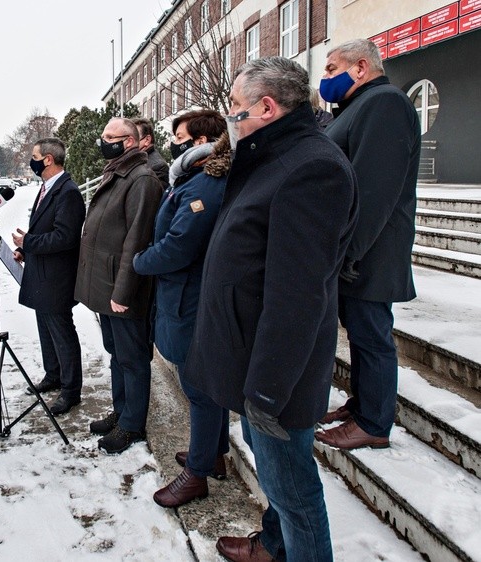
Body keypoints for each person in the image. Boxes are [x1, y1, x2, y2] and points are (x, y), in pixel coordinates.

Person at [182, 58, 357, 562]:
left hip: (278, 377)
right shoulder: (272, 155)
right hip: (253, 354)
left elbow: (298, 297)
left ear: (266, 106)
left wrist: (266, 390)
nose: (229, 116)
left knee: (293, 492)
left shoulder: (312, 168)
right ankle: (275, 547)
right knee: (280, 485)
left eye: (236, 107)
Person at [316, 39, 421, 451]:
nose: (324, 78)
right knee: (360, 333)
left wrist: (349, 254)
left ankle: (374, 423)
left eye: (330, 68)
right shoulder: (359, 107)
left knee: (372, 335)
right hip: (356, 252)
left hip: (369, 252)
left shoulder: (386, 104)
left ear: (360, 67)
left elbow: (373, 192)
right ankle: (362, 403)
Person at [133, 110, 231, 508]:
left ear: (203, 142)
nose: (174, 143)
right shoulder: (192, 178)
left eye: (182, 137)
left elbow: (178, 246)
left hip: (191, 296)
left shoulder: (206, 184)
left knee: (200, 387)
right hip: (184, 294)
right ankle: (214, 454)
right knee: (203, 385)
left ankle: (198, 473)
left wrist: (141, 261)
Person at [74, 117, 163, 454]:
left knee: (132, 358)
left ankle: (132, 425)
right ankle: (122, 410)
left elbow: (136, 240)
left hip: (122, 290)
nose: (103, 141)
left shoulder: (141, 180)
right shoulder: (117, 171)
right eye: (103, 135)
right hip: (106, 286)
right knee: (116, 354)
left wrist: (123, 293)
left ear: (129, 142)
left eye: (110, 136)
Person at [13, 138, 86, 416]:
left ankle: (71, 390)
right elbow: (45, 229)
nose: (31, 160)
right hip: (41, 274)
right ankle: (53, 374)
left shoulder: (67, 192)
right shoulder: (47, 188)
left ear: (48, 160)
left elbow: (65, 237)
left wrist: (28, 243)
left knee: (62, 333)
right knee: (45, 330)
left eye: (34, 156)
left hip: (56, 279)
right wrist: (26, 251)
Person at [133, 117, 169, 184]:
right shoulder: (138, 160)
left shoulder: (158, 167)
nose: (129, 143)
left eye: (134, 138)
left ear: (147, 140)